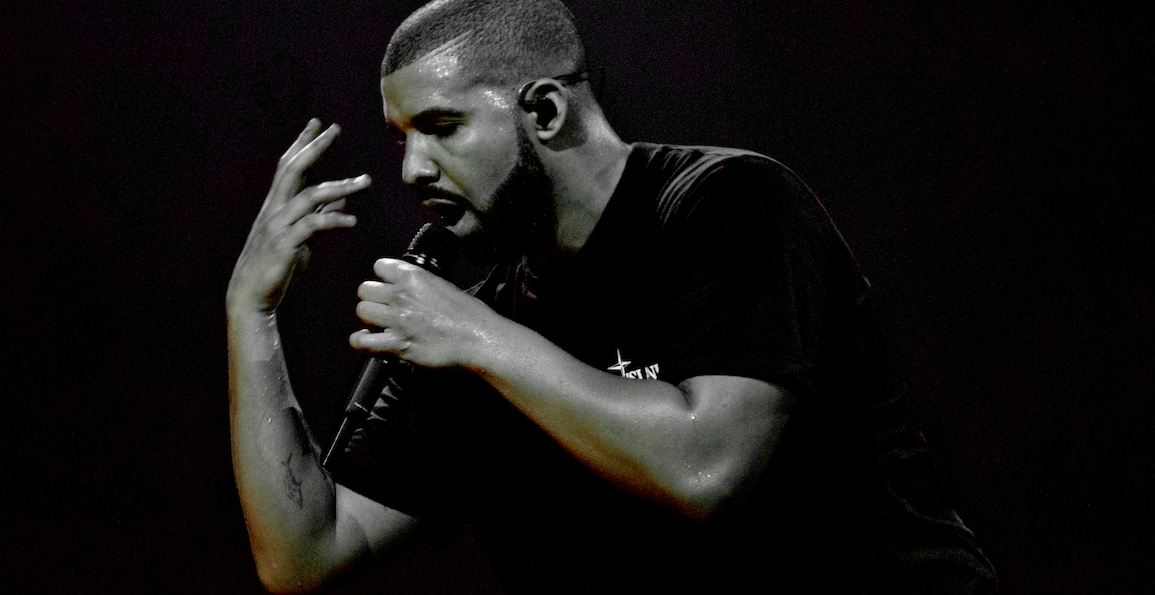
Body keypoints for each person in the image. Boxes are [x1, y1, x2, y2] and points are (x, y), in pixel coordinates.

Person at [226, 0, 997, 592]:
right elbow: (304, 554)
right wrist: (248, 312)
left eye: (443, 127)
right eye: (403, 138)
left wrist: (478, 338)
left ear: (545, 110)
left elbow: (706, 468)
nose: (412, 169)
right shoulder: (462, 320)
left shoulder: (729, 205)